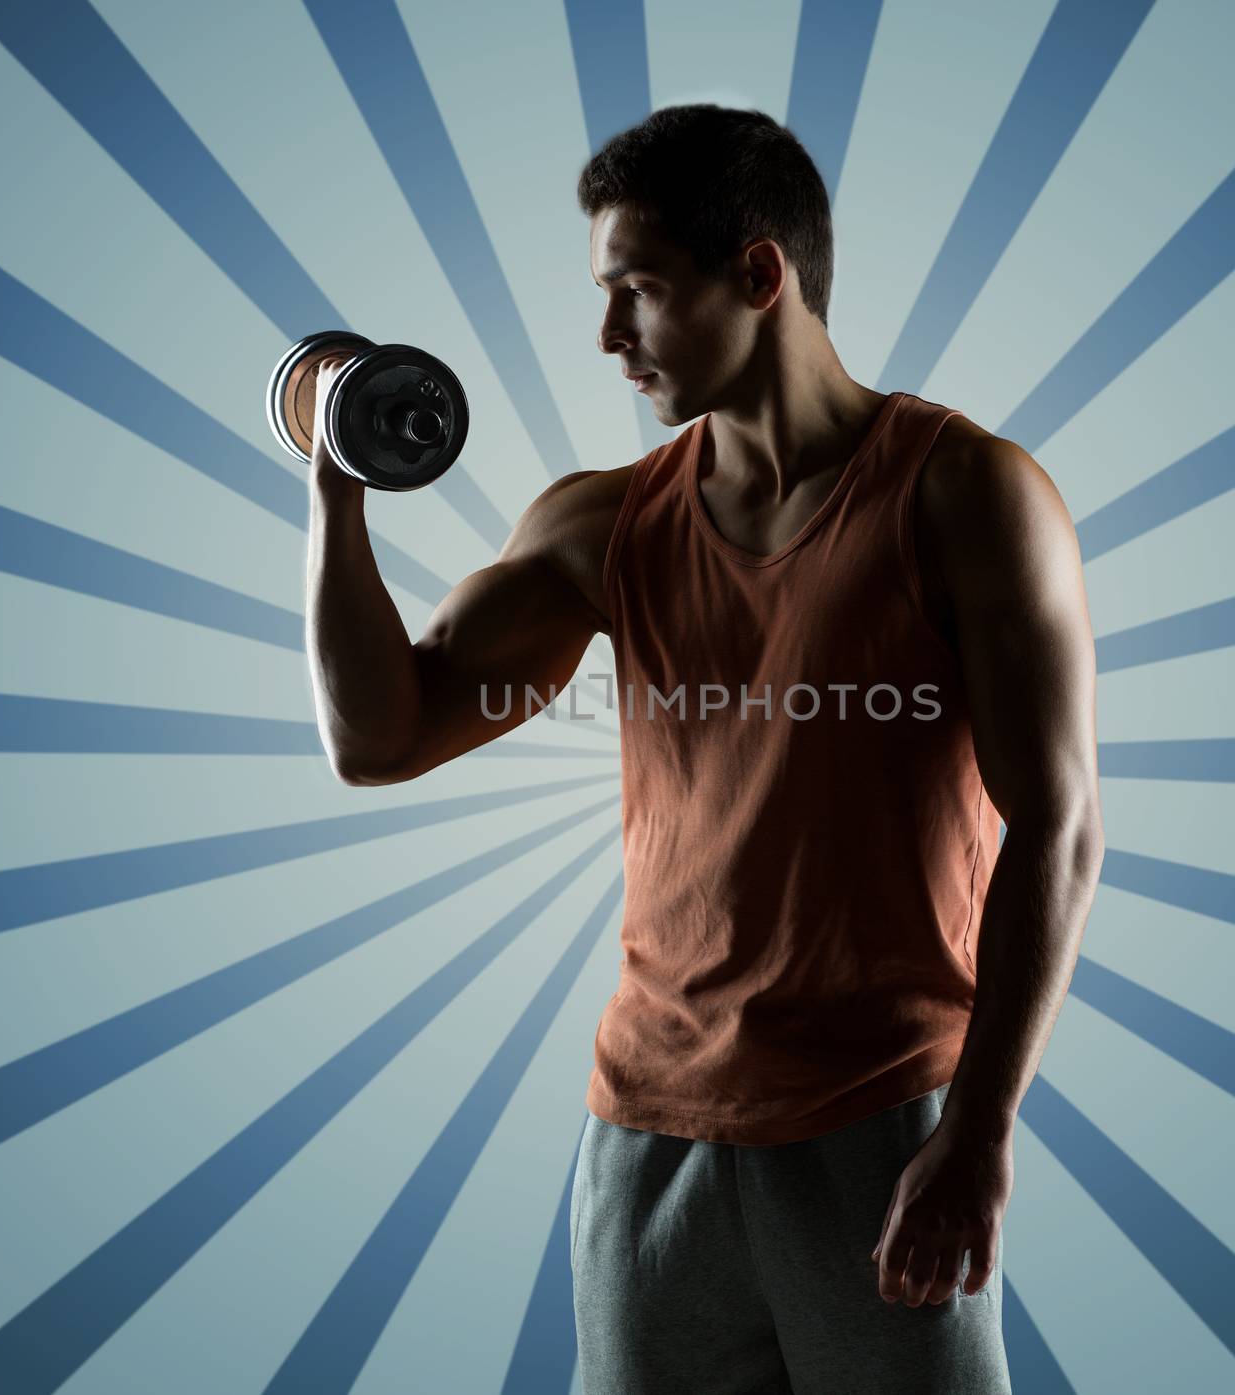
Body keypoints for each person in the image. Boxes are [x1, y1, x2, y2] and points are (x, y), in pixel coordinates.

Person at [306, 103, 1103, 1394]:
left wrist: (980, 1133)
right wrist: (334, 484)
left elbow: (1057, 827)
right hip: (646, 1125)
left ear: (759, 274)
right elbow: (379, 741)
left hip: (882, 1115)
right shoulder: (599, 525)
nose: (610, 338)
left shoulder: (968, 496)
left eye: (639, 291)